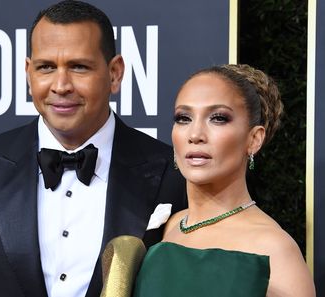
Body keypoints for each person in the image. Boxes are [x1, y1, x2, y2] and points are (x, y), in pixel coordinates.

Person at [0, 1, 186, 296]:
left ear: (114, 73)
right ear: (29, 73)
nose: (61, 85)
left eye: (79, 67)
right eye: (46, 67)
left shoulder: (174, 174)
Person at [133, 64, 316, 297]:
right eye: (183, 118)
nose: (195, 134)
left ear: (254, 139)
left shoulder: (274, 248)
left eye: (218, 118)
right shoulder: (164, 226)